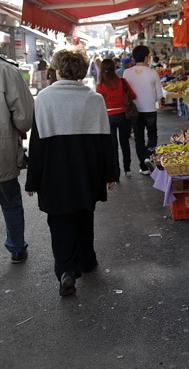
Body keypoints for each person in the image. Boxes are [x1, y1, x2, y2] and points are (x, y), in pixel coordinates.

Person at [25, 48, 117, 296]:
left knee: (59, 222)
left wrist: (32, 180)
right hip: (87, 172)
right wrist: (111, 173)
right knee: (85, 216)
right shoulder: (94, 98)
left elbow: (38, 144)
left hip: (54, 175)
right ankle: (87, 260)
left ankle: (66, 270)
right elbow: (105, 142)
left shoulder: (44, 98)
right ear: (81, 70)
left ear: (56, 69)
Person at [0, 56, 34, 264]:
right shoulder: (7, 71)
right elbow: (24, 119)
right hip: (2, 151)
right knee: (10, 201)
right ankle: (17, 247)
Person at [123, 45, 163, 175]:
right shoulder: (153, 73)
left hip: (134, 111)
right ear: (146, 57)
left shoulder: (126, 73)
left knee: (138, 137)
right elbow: (158, 95)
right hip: (150, 109)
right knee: (152, 135)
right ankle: (148, 155)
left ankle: (143, 167)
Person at [96, 59, 136, 179]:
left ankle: (115, 173)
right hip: (123, 115)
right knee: (124, 143)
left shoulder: (100, 86)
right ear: (115, 68)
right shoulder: (122, 82)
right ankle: (127, 169)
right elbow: (133, 95)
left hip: (108, 117)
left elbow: (98, 102)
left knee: (112, 146)